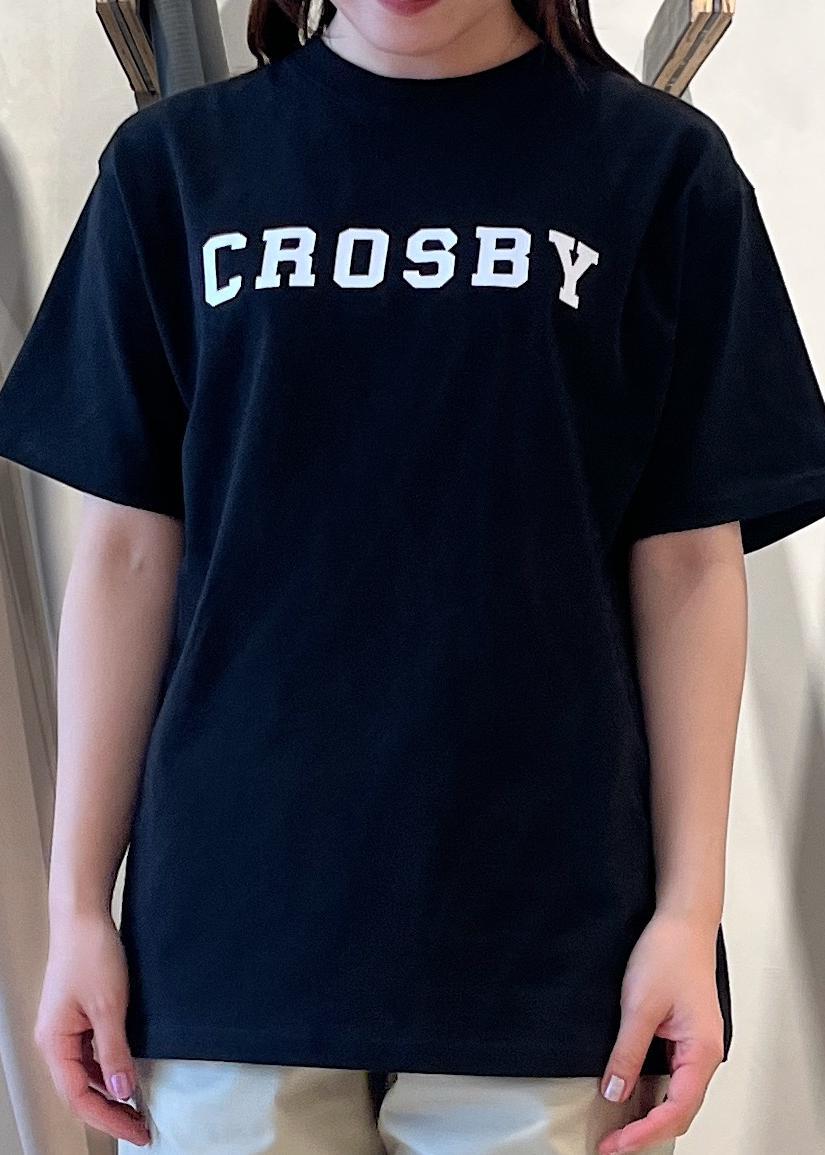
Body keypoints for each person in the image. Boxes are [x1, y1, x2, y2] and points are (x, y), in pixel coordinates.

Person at [2, 1, 825, 1153]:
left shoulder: (660, 170)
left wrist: (690, 915)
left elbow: (690, 562)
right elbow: (128, 554)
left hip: (552, 938)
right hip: (233, 925)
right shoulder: (176, 168)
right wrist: (78, 909)